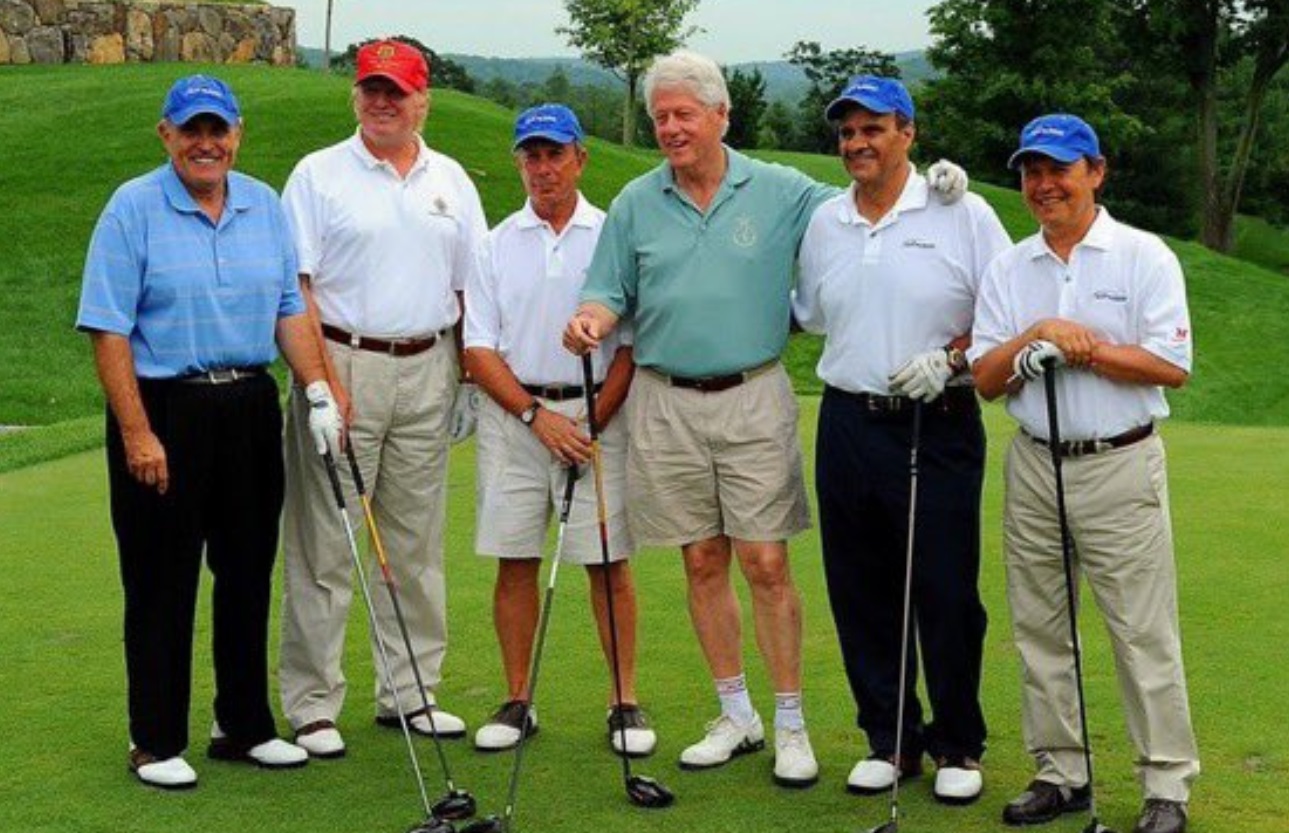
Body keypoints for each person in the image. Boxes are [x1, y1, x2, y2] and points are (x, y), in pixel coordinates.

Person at [563, 51, 968, 788]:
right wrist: (590, 320)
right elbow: (606, 293)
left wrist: (938, 183)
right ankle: (736, 714)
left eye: (685, 114)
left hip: (751, 393)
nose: (670, 128)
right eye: (660, 116)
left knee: (766, 563)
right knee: (700, 560)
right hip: (664, 400)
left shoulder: (781, 190)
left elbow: (868, 191)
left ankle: (790, 723)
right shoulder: (635, 202)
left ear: (721, 116)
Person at [77, 75, 341, 789]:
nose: (205, 143)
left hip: (250, 403)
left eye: (216, 130)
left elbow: (289, 308)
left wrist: (318, 389)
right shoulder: (132, 208)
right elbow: (108, 329)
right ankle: (154, 739)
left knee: (248, 568)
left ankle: (243, 725)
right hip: (166, 407)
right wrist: (137, 433)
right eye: (191, 130)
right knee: (160, 579)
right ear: (165, 134)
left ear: (237, 134)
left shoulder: (263, 204)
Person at [970, 114, 1200, 833]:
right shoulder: (1009, 267)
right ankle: (1060, 772)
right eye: (1032, 172)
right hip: (1035, 463)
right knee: (1040, 627)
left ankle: (1166, 783)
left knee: (1140, 630)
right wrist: (1036, 334)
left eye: (1059, 170)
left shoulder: (1142, 255)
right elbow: (985, 379)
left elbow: (1170, 365)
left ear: (1095, 172)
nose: (1044, 185)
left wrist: (1085, 349)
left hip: (1118, 461)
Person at [792, 76, 1010, 804]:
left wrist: (952, 356)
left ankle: (958, 742)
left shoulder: (961, 210)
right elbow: (810, 314)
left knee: (944, 589)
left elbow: (1008, 311)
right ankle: (888, 740)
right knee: (860, 588)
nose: (857, 143)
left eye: (873, 129)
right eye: (847, 132)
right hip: (847, 420)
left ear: (907, 133)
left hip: (935, 419)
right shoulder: (827, 221)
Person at [277, 39, 485, 758]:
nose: (382, 102)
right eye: (371, 88)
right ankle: (313, 702)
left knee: (415, 542)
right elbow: (296, 289)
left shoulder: (450, 179)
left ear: (423, 100)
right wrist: (320, 384)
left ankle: (410, 691)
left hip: (429, 365)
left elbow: (470, 287)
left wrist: (467, 376)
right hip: (343, 360)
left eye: (396, 91)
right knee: (325, 541)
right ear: (355, 96)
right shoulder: (318, 174)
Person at [462, 104, 656, 757]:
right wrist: (535, 417)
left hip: (597, 417)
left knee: (607, 562)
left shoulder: (612, 237)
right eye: (531, 156)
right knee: (515, 558)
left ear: (580, 159)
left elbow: (630, 346)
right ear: (519, 163)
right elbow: (478, 348)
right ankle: (517, 698)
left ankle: (623, 700)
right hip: (517, 417)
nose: (543, 168)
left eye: (554, 154)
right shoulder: (493, 244)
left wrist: (593, 420)